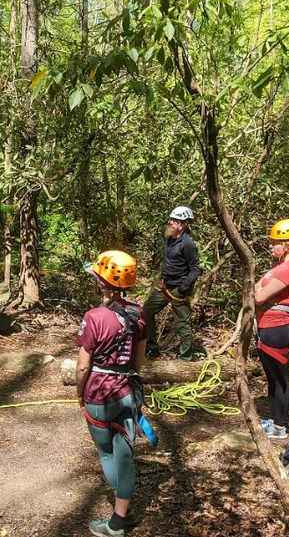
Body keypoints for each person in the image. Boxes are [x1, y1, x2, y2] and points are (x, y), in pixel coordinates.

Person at [76, 250, 147, 537]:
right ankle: (121, 512)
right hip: (128, 392)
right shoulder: (138, 313)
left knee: (107, 451)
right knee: (126, 454)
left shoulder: (94, 317)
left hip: (98, 393)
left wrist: (79, 396)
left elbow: (83, 366)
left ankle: (118, 519)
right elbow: (139, 362)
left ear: (101, 283)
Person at [254, 219, 289, 440]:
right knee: (274, 377)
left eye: (274, 242)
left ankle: (280, 425)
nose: (270, 246)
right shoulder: (285, 266)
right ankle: (277, 419)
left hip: (276, 327)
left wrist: (258, 288)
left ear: (287, 245)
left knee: (279, 379)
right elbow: (258, 289)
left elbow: (258, 295)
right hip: (272, 325)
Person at [144, 206, 201, 360]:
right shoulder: (169, 239)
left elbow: (195, 269)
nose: (169, 223)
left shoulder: (188, 244)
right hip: (164, 286)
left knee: (182, 323)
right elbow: (169, 262)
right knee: (146, 312)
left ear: (182, 225)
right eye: (170, 219)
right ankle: (152, 347)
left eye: (174, 221)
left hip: (179, 289)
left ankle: (185, 357)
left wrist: (183, 288)